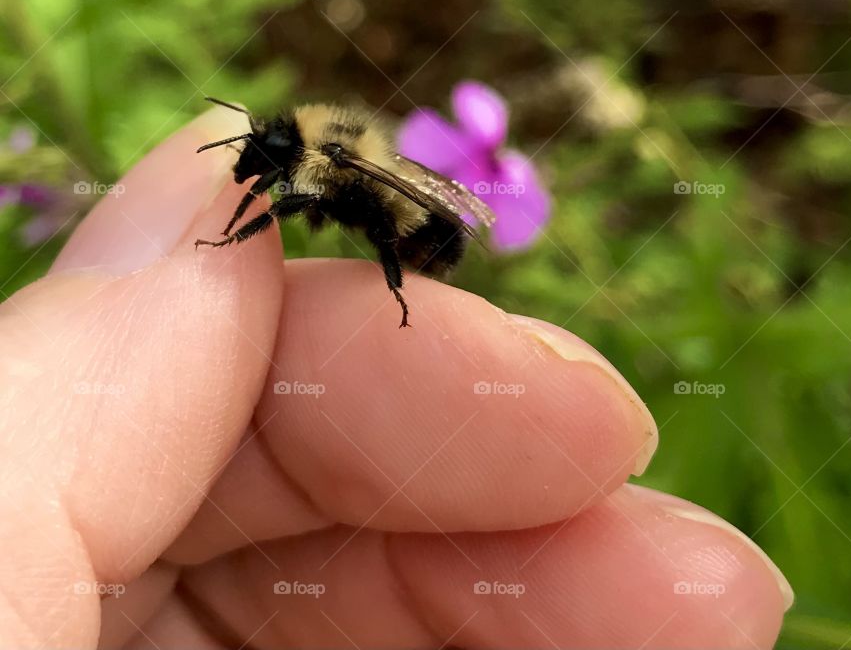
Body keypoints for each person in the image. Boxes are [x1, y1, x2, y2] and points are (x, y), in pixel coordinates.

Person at [0, 108, 792, 649]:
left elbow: (359, 198)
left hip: (421, 227)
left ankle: (397, 290)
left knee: (378, 231)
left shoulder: (332, 163)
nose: (260, 167)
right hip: (429, 217)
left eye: (269, 160)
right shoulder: (328, 150)